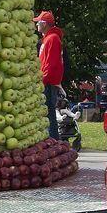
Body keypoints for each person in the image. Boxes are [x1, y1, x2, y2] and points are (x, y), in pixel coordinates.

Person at [33, 10, 64, 140]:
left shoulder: (52, 39)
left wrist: (42, 80)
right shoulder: (49, 38)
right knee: (48, 114)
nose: (36, 25)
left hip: (48, 83)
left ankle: (53, 142)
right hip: (48, 82)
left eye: (38, 22)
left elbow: (50, 64)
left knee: (49, 114)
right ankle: (52, 141)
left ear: (45, 24)